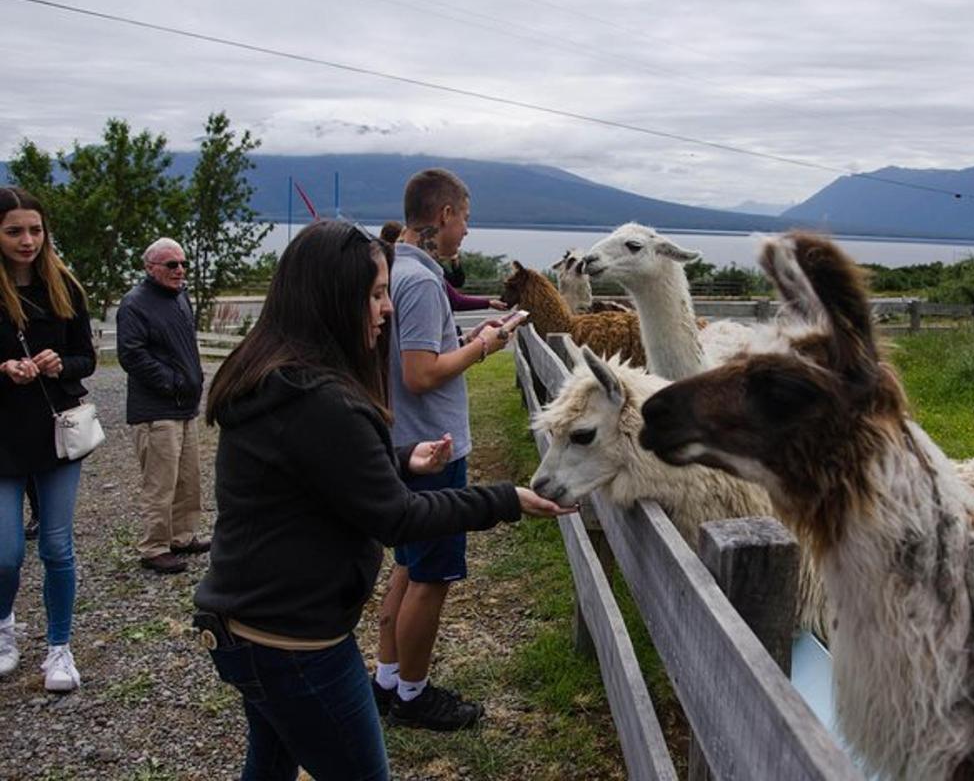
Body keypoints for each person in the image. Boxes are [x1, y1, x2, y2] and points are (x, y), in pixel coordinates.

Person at [194, 220, 572, 779]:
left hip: (247, 626)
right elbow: (397, 517)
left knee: (272, 763)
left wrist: (400, 460)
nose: (386, 309)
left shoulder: (277, 375)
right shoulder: (320, 400)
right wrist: (505, 499)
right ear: (334, 298)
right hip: (296, 644)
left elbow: (313, 473)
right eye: (374, 294)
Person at [373, 168, 515, 732]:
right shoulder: (425, 282)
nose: (465, 233)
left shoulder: (392, 271)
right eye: (465, 219)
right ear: (444, 216)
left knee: (407, 567)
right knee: (431, 577)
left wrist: (466, 339)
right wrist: (486, 344)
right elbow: (421, 374)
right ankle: (413, 695)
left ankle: (386, 681)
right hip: (432, 446)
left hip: (402, 444)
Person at [0, 186, 96, 692]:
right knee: (5, 552)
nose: (27, 240)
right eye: (15, 230)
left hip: (57, 435)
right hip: (3, 440)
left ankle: (60, 648)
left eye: (35, 230)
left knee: (57, 548)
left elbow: (87, 358)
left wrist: (60, 365)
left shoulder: (65, 288)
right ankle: (4, 628)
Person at [117, 238, 209, 575]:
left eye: (183, 264)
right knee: (160, 481)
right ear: (150, 267)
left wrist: (191, 379)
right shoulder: (135, 304)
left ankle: (182, 536)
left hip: (185, 406)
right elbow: (132, 354)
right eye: (172, 265)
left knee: (188, 477)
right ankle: (154, 546)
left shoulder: (180, 297)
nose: (180, 270)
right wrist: (171, 381)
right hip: (155, 410)